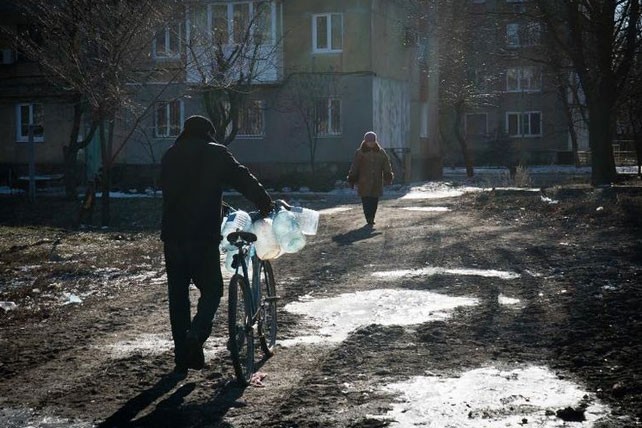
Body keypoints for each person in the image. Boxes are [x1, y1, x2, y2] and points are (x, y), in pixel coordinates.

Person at [160, 115, 274, 376]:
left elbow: (173, 190)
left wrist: (216, 205)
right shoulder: (216, 153)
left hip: (173, 236)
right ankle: (197, 334)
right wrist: (264, 203)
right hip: (202, 236)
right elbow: (242, 178)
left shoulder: (171, 154)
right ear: (208, 133)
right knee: (212, 290)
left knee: (177, 298)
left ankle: (182, 358)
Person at [347, 131, 394, 226]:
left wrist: (387, 175)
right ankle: (368, 217)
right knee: (366, 200)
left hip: (376, 181)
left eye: (372, 141)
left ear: (375, 141)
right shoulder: (360, 153)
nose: (371, 143)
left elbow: (386, 164)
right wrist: (352, 177)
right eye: (369, 141)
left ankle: (372, 217)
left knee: (374, 200)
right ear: (365, 141)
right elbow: (355, 166)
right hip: (364, 181)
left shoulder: (380, 152)